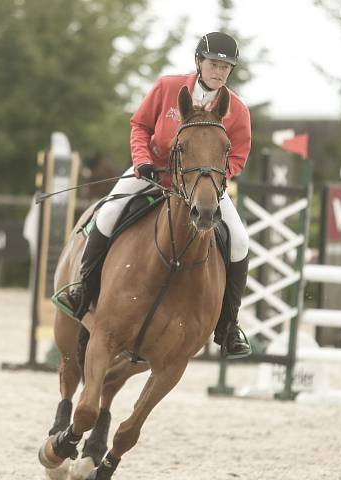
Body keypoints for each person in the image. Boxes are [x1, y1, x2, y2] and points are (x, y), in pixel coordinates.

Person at [56, 31, 253, 356]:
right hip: (153, 172)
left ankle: (229, 327)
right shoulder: (167, 87)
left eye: (225, 67)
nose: (219, 72)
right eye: (214, 64)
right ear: (199, 62)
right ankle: (82, 291)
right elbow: (140, 125)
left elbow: (239, 155)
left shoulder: (237, 110)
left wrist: (214, 179)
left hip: (201, 186)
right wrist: (143, 161)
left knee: (240, 241)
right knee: (106, 215)